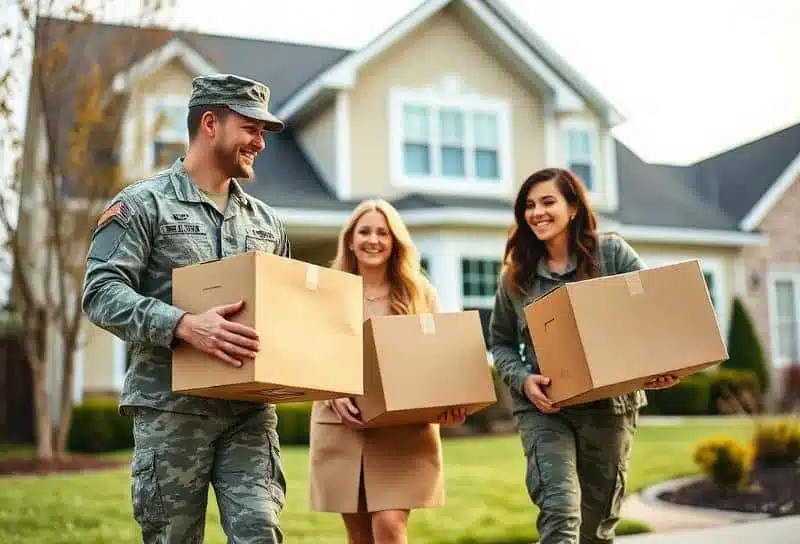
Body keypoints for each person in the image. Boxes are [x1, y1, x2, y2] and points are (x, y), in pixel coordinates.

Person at [82, 73, 290, 544]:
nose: (259, 142)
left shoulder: (268, 223)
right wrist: (183, 325)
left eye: (262, 133)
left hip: (248, 413)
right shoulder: (141, 205)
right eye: (251, 128)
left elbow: (289, 311)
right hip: (171, 411)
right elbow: (100, 292)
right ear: (211, 124)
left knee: (260, 530)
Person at [488, 168, 679, 544]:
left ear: (573, 207)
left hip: (611, 407)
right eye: (529, 205)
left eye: (548, 202)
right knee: (561, 512)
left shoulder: (612, 253)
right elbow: (501, 342)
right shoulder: (516, 277)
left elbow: (649, 313)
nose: (536, 212)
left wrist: (659, 367)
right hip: (547, 408)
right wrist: (523, 380)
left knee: (597, 526)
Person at [307, 199, 468, 544]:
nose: (373, 240)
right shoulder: (329, 291)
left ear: (395, 241)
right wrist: (334, 395)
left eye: (383, 232)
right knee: (360, 537)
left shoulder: (419, 293)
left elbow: (440, 360)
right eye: (364, 231)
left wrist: (449, 405)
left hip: (402, 432)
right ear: (350, 240)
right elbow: (309, 356)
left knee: (389, 527)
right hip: (342, 427)